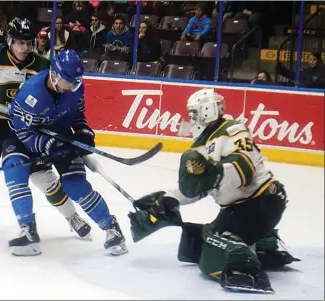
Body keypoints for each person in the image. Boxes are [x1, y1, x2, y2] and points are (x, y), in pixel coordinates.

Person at [127, 88, 299, 293]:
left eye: (194, 112)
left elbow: (243, 169)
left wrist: (213, 174)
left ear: (207, 110)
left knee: (212, 250)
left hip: (261, 201)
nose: (191, 118)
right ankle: (263, 244)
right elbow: (201, 186)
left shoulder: (232, 129)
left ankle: (245, 267)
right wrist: (167, 200)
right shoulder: (202, 145)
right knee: (198, 241)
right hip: (243, 207)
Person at [0, 18, 91, 240]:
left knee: (43, 175)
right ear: (9, 41)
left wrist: (73, 127)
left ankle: (71, 216)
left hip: (24, 126)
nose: (24, 48)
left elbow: (61, 98)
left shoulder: (42, 66)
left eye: (28, 43)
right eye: (19, 43)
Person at [2, 49, 128, 257]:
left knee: (75, 185)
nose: (73, 86)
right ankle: (28, 233)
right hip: (23, 139)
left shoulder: (75, 87)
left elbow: (78, 114)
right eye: (69, 81)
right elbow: (23, 131)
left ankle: (111, 228)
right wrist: (47, 145)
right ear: (54, 74)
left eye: (76, 82)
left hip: (60, 135)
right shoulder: (30, 94)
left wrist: (83, 133)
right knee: (14, 172)